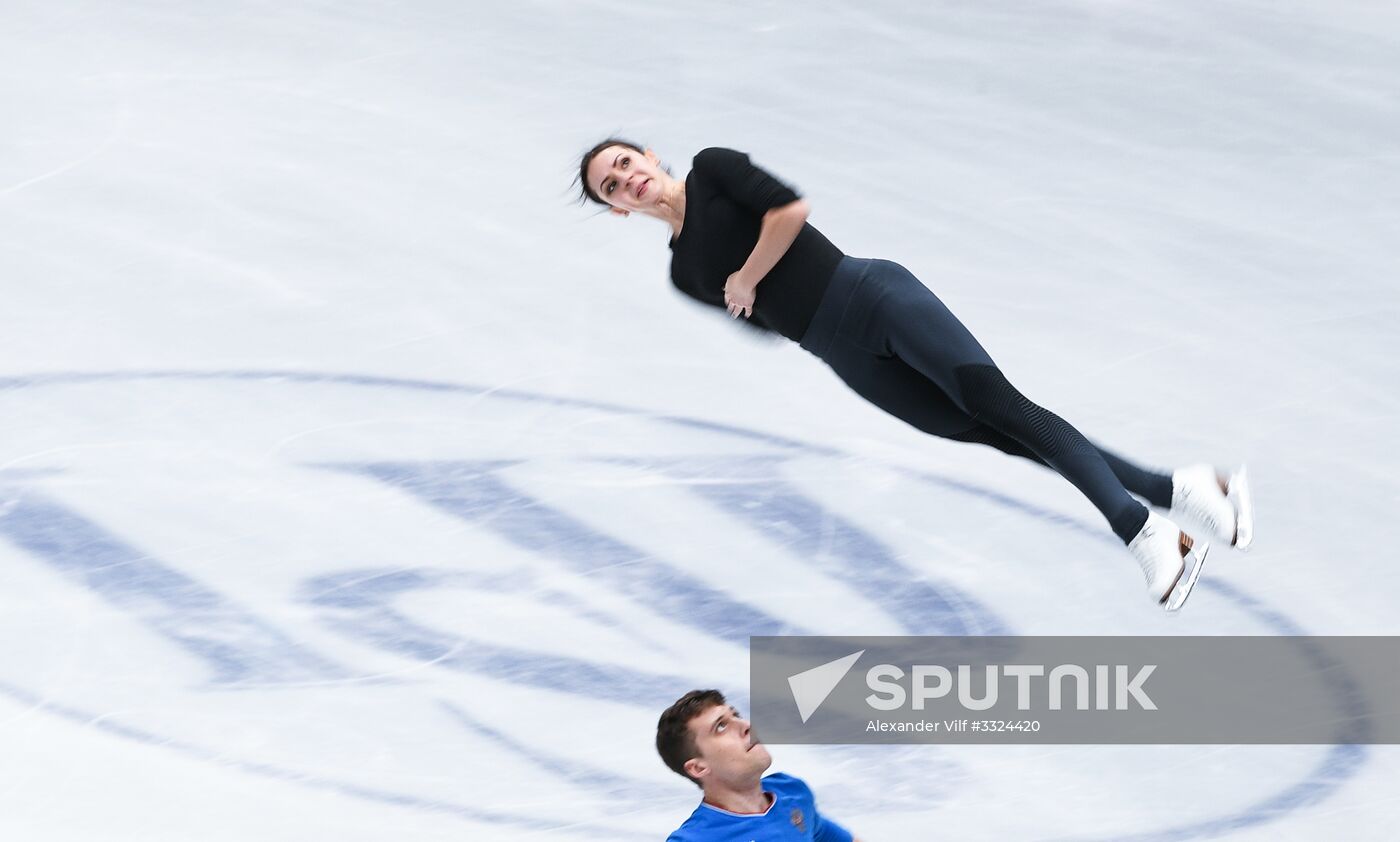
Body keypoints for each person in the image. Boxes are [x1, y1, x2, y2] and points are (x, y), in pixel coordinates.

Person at [575, 138, 1255, 610]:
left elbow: (789, 212)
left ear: (650, 156)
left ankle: (1143, 532)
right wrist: (749, 289)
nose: (627, 178)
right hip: (842, 355)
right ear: (616, 209)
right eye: (613, 184)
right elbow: (759, 322)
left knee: (1005, 407)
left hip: (874, 296)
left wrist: (748, 276)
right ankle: (1187, 489)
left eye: (627, 162)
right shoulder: (682, 272)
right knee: (1005, 436)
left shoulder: (713, 168)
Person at [657, 689, 860, 842]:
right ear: (699, 768)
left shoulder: (792, 792)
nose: (746, 725)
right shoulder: (693, 839)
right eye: (721, 727)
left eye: (735, 715)